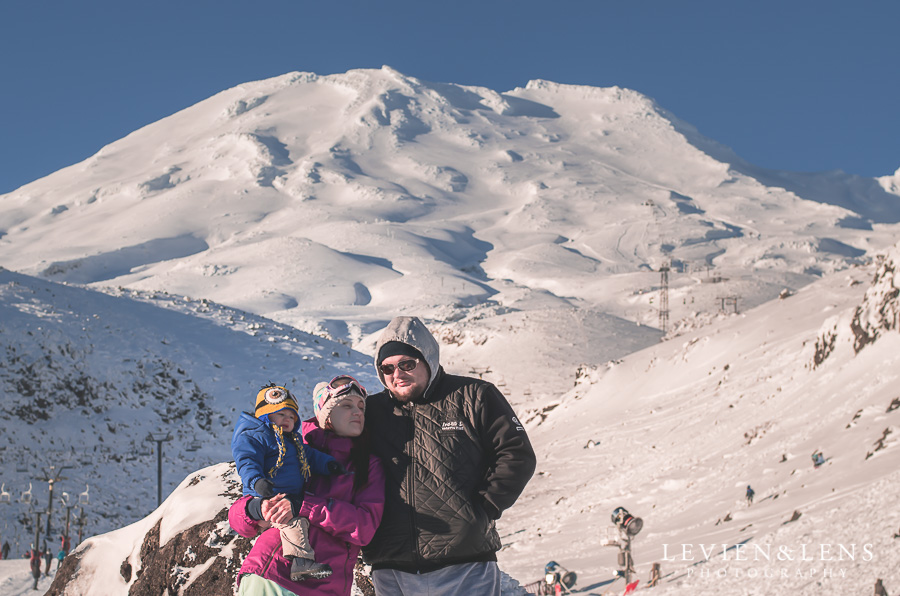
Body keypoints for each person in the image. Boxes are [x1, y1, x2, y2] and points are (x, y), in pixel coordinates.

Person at [362, 316, 537, 595]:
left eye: (407, 363)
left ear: (428, 359)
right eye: (387, 368)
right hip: (390, 564)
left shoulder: (474, 395)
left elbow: (516, 454)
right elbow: (330, 445)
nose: (397, 373)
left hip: (464, 563)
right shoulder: (371, 411)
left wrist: (483, 510)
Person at [229, 375, 385, 596]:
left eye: (361, 406)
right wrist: (256, 509)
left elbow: (363, 527)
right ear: (326, 416)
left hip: (326, 585)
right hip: (271, 576)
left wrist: (302, 505)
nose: (358, 412)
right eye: (347, 405)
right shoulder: (293, 451)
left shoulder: (367, 464)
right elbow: (238, 520)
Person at [232, 384, 348, 582]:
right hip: (266, 497)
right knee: (294, 522)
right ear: (266, 415)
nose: (288, 420)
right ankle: (301, 563)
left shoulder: (293, 441)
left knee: (296, 520)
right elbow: (246, 461)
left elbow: (310, 456)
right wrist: (257, 482)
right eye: (281, 414)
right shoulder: (256, 437)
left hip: (286, 497)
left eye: (292, 417)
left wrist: (328, 464)